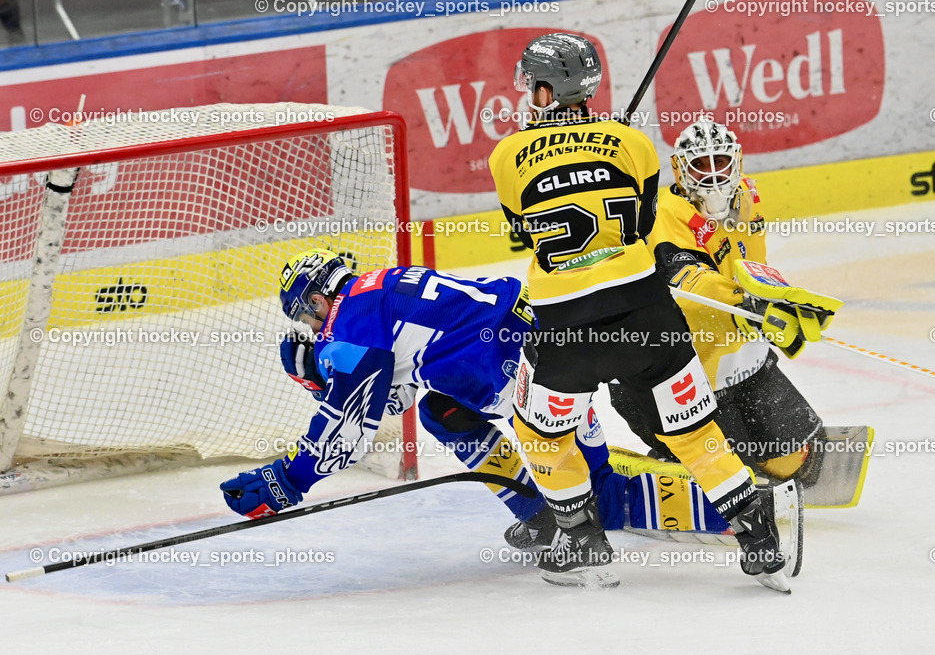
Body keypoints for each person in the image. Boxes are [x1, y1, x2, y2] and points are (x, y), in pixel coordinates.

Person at [488, 32, 792, 591]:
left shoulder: (505, 156)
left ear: (545, 90)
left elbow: (524, 231)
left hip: (567, 325)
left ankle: (582, 540)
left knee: (540, 436)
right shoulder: (633, 142)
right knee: (694, 432)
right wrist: (606, 149)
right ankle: (759, 537)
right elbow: (641, 223)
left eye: (531, 84)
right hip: (647, 311)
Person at [609, 117, 864, 508]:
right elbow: (689, 280)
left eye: (721, 162)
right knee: (735, 482)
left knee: (795, 461)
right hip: (681, 374)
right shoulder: (666, 215)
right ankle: (672, 460)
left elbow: (752, 269)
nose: (713, 175)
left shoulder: (747, 197)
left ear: (738, 162)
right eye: (700, 165)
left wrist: (779, 303)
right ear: (679, 169)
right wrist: (743, 307)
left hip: (740, 358)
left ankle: (708, 461)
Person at [220, 250, 547, 532]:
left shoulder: (348, 324)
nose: (313, 331)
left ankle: (567, 524)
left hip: (509, 358)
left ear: (317, 301)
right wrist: (329, 385)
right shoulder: (378, 286)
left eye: (307, 319)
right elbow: (398, 398)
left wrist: (287, 479)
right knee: (441, 414)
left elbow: (349, 428)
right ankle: (539, 515)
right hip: (531, 319)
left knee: (554, 437)